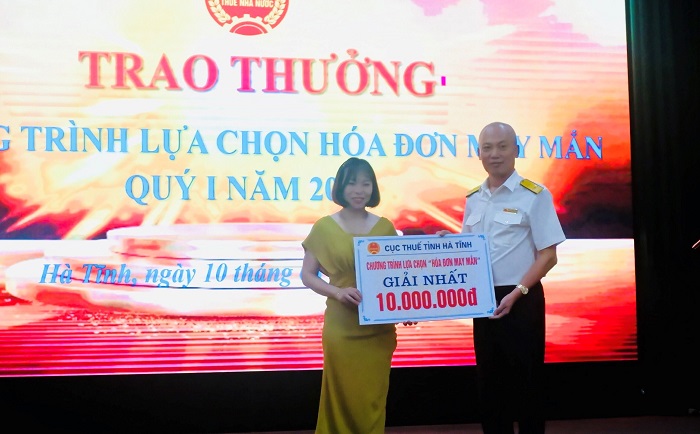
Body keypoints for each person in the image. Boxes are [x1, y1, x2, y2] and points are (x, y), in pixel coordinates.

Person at [442, 122, 566, 434]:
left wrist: (518, 292)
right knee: (490, 386)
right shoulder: (474, 197)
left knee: (527, 384)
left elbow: (548, 255)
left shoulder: (534, 195)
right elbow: (468, 250)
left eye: (502, 146)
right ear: (479, 153)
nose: (494, 154)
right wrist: (446, 243)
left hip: (521, 297)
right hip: (483, 299)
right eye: (487, 148)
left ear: (516, 150)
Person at [301, 157, 411, 434]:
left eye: (365, 184)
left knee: (372, 401)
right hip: (342, 329)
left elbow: (399, 277)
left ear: (373, 188)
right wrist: (337, 292)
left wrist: (408, 309)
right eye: (352, 183)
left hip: (378, 330)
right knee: (340, 398)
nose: (359, 190)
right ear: (340, 187)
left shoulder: (385, 228)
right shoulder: (324, 227)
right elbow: (307, 275)